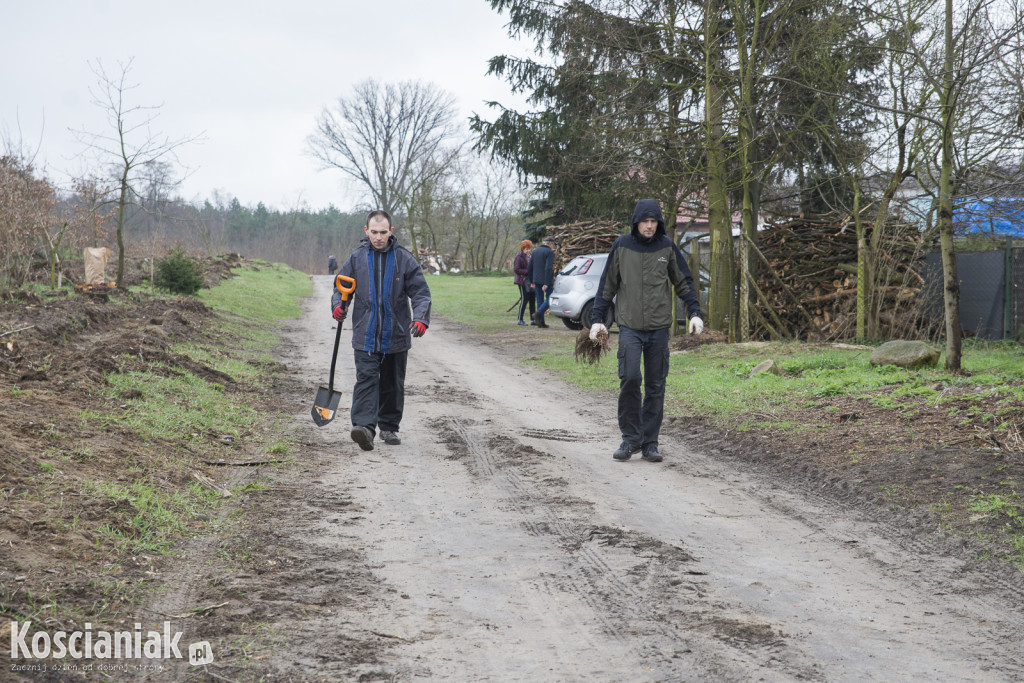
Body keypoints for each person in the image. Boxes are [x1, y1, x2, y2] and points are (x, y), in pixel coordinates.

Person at [589, 199, 703, 464]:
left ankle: (650, 442)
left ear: (658, 223)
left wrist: (694, 312)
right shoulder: (622, 246)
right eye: (645, 221)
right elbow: (607, 285)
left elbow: (683, 281)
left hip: (659, 328)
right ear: (636, 222)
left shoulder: (667, 247)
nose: (650, 226)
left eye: (654, 222)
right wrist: (597, 319)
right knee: (629, 379)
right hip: (629, 326)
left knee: (655, 385)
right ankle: (630, 440)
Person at [331, 210, 432, 451]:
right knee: (366, 380)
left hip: (396, 334)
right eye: (374, 232)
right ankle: (364, 428)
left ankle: (389, 426)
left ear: (391, 232)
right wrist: (337, 306)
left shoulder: (404, 259)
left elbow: (420, 292)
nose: (378, 237)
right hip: (365, 334)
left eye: (383, 232)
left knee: (392, 383)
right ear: (366, 231)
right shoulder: (356, 259)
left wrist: (420, 318)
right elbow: (339, 287)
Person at [528, 235, 556, 328]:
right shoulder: (549, 252)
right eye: (553, 245)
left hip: (536, 280)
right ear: (550, 244)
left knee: (540, 301)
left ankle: (540, 322)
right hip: (545, 280)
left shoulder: (535, 251)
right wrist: (546, 282)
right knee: (550, 298)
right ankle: (538, 313)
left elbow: (530, 267)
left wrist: (531, 280)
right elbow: (548, 268)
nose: (554, 247)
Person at [512, 240, 535, 326]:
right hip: (522, 281)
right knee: (525, 299)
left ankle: (533, 320)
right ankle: (520, 319)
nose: (528, 250)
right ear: (523, 248)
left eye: (529, 248)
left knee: (532, 300)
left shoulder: (531, 256)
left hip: (531, 280)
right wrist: (528, 271)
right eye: (526, 249)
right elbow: (516, 269)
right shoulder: (519, 257)